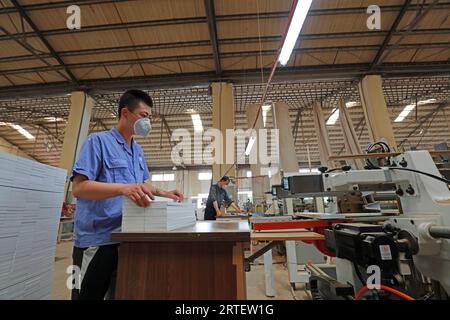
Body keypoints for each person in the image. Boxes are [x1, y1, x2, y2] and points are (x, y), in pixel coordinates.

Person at [70, 89, 184, 300]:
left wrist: (164, 192)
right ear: (125, 113)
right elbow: (79, 188)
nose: (147, 121)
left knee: (118, 294)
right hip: (97, 241)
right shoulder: (98, 142)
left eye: (149, 117)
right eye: (143, 115)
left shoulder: (137, 151)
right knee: (86, 296)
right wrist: (122, 188)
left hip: (127, 237)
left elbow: (141, 184)